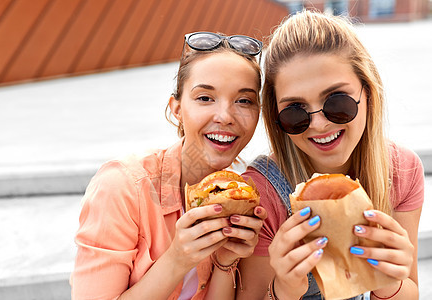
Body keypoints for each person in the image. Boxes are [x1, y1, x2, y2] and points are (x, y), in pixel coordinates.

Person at [237, 10, 424, 300]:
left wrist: (389, 282)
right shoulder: (262, 192)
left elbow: (410, 291)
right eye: (295, 112)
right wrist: (284, 290)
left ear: (368, 92)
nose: (319, 124)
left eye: (337, 102)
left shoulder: (402, 170)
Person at [70, 31, 267, 300]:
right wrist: (177, 259)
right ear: (176, 109)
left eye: (244, 101)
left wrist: (226, 260)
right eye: (205, 98)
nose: (225, 116)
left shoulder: (242, 199)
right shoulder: (123, 187)